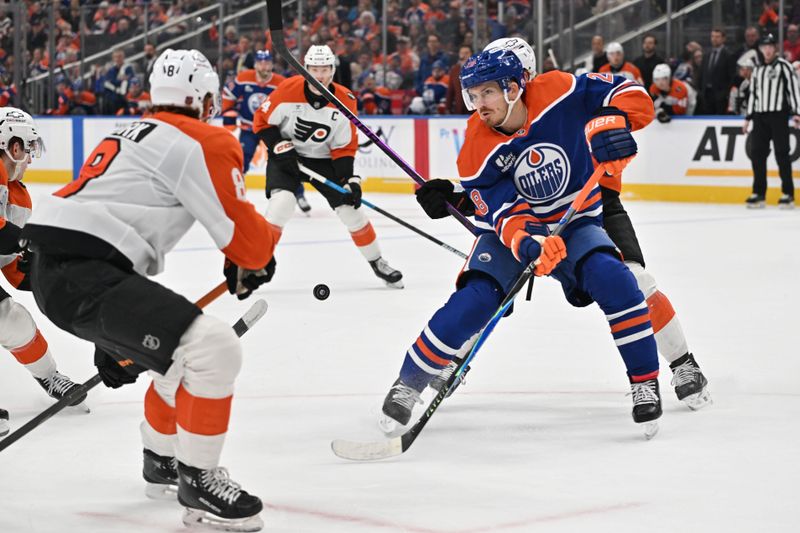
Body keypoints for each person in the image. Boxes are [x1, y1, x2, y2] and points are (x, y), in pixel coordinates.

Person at [21, 49, 276, 532]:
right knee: (215, 349)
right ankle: (198, 482)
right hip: (85, 276)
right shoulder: (205, 138)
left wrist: (114, 336)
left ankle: (161, 460)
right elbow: (252, 249)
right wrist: (264, 244)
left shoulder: (132, 131)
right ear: (203, 98)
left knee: (178, 353)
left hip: (58, 268)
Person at [380, 47, 666, 437]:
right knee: (475, 298)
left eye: (487, 93)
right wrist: (529, 243)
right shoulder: (477, 150)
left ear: (514, 88)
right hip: (512, 237)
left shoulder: (560, 89)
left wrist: (614, 122)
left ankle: (645, 381)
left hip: (576, 221)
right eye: (472, 95)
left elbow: (630, 92)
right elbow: (503, 213)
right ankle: (408, 382)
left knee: (616, 280)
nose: (478, 105)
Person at [253, 45, 404, 288]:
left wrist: (349, 180)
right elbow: (261, 123)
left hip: (324, 161)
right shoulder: (286, 91)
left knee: (351, 210)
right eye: (314, 69)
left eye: (324, 69)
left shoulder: (345, 100)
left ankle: (377, 262)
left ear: (332, 70)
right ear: (306, 70)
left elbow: (343, 147)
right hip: (287, 156)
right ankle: (257, 262)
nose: (319, 75)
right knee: (282, 204)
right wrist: (280, 147)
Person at [0, 107, 88, 437]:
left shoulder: (18, 198)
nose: (31, 159)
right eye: (30, 149)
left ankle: (49, 376)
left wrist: (55, 276)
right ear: (13, 145)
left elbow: (12, 267)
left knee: (12, 320)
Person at [221, 50, 311, 213]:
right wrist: (229, 116)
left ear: (272, 65)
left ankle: (299, 195)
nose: (264, 66)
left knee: (286, 160)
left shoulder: (280, 83)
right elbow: (227, 95)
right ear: (255, 64)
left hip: (272, 130)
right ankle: (234, 194)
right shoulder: (243, 78)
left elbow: (294, 103)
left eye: (268, 62)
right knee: (241, 160)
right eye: (261, 62)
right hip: (249, 127)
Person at [743, 34, 800, 209]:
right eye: (764, 47)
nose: (767, 50)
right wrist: (748, 118)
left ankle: (787, 193)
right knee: (758, 154)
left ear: (775, 48)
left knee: (782, 154)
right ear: (760, 49)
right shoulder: (758, 69)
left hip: (778, 114)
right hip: (760, 116)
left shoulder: (784, 67)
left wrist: (797, 112)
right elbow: (754, 94)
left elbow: (793, 90)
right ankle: (759, 193)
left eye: (770, 46)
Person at [699, 29, 735, 114]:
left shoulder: (729, 55)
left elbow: (731, 76)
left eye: (717, 37)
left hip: (720, 97)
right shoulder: (706, 55)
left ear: (723, 39)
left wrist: (725, 93)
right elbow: (701, 74)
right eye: (712, 36)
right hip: (706, 95)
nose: (714, 39)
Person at [729, 50, 757, 115]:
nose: (744, 72)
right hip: (741, 115)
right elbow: (732, 104)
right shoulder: (739, 84)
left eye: (747, 69)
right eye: (742, 69)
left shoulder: (757, 83)